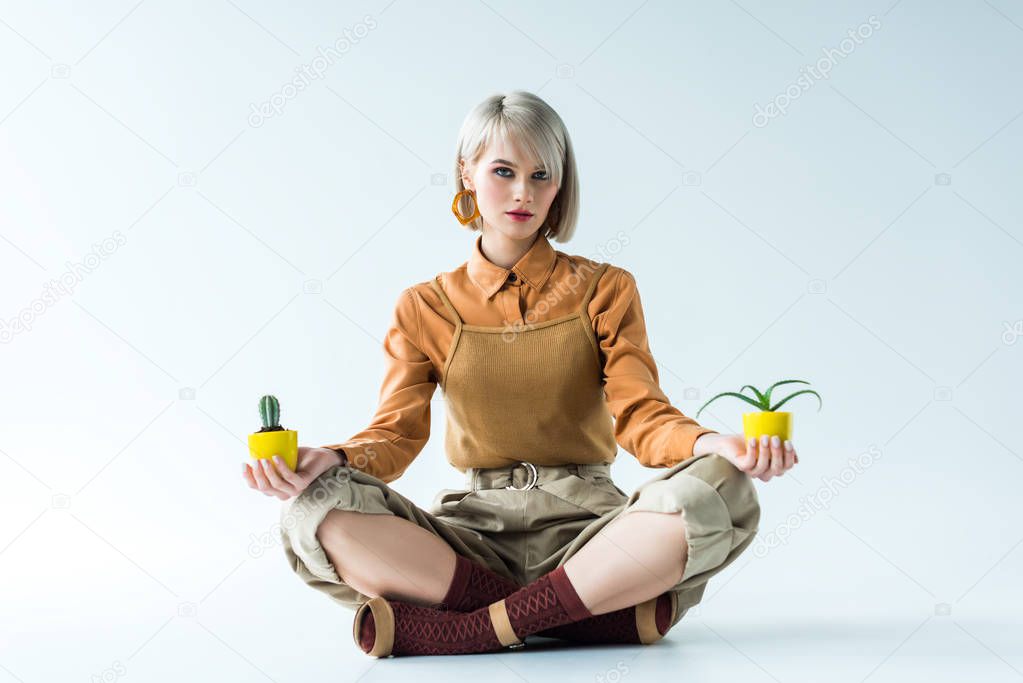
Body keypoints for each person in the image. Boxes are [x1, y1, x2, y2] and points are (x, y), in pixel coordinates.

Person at [242, 90, 798, 657]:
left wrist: (714, 444)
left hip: (592, 534)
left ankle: (470, 629)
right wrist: (333, 460)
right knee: (313, 506)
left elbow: (641, 415)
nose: (522, 193)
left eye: (541, 176)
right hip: (468, 540)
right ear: (466, 171)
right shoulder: (423, 306)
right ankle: (585, 615)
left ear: (560, 186)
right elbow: (396, 435)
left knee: (725, 486)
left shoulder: (607, 287)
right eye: (503, 171)